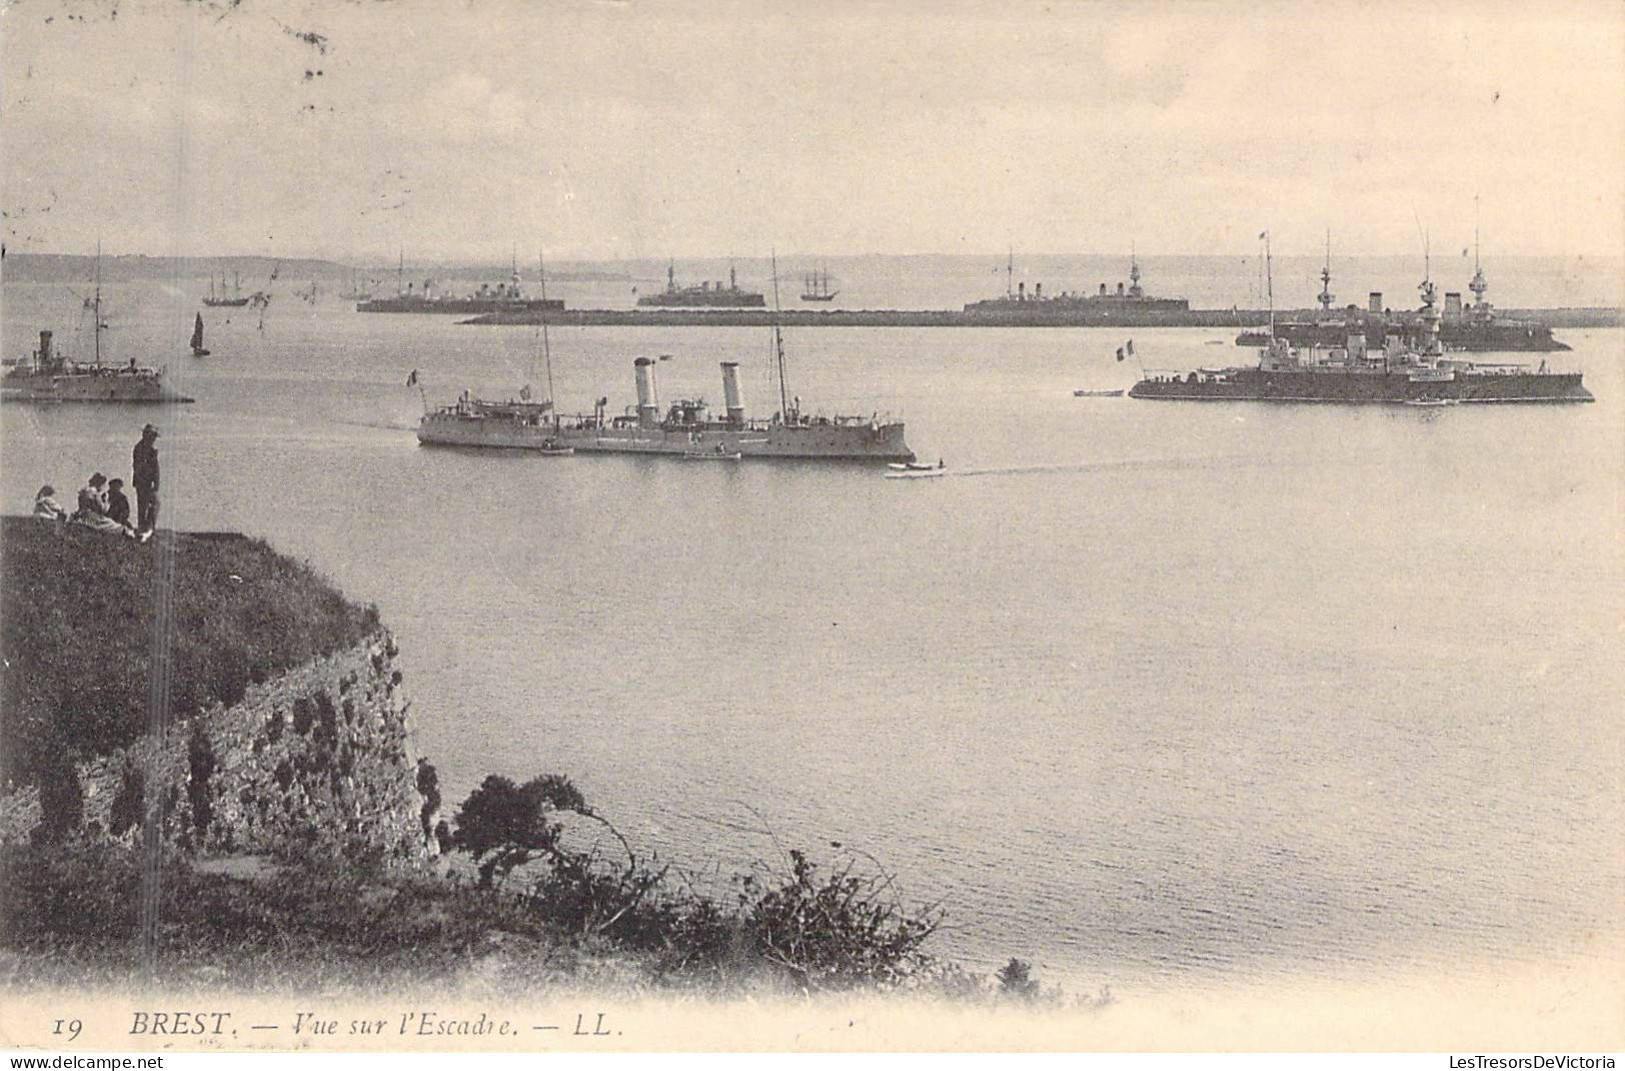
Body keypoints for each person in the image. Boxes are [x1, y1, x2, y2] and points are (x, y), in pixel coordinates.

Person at [133, 424, 160, 533]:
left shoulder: (151, 450)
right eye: (151, 436)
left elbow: (156, 468)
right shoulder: (139, 448)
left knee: (153, 504)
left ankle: (149, 527)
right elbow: (139, 467)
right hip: (143, 482)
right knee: (143, 505)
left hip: (149, 483)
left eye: (154, 436)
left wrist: (156, 482)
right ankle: (144, 528)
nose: (153, 439)